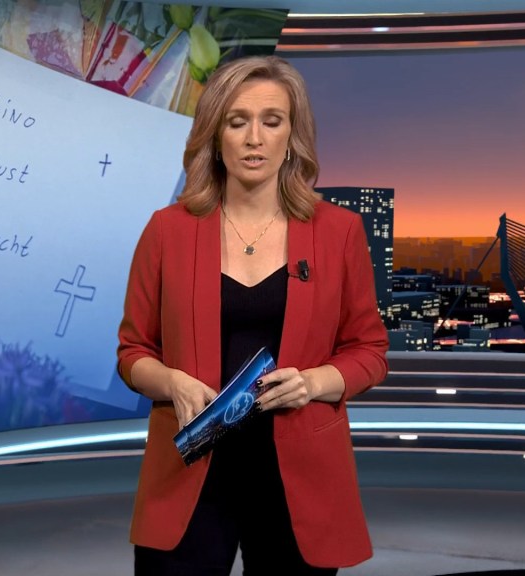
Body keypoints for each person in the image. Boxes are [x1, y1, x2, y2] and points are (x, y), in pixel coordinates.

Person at [117, 55, 389, 575]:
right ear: (215, 135)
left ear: (292, 135)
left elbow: (369, 351)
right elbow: (133, 353)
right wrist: (172, 382)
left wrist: (313, 382)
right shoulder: (168, 230)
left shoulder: (339, 232)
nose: (254, 139)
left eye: (272, 121)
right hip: (190, 470)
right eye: (237, 122)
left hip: (299, 475)